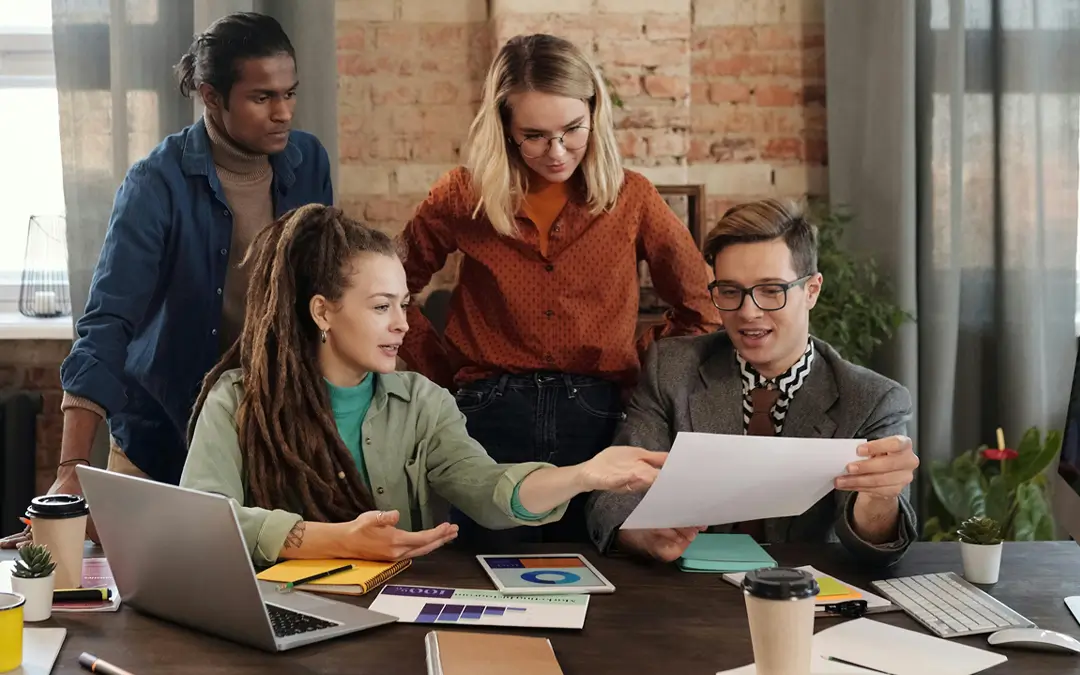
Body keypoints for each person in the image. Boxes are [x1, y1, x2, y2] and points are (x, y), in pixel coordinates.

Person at [0, 13, 334, 552]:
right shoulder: (156, 182)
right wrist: (71, 470)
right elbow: (107, 323)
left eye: (290, 93)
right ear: (211, 96)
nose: (285, 112)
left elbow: (322, 296)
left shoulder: (309, 161)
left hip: (269, 442)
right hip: (161, 439)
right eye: (262, 97)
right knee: (140, 618)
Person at [181, 204, 667, 567]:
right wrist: (335, 540)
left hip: (395, 619)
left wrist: (583, 475)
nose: (403, 325)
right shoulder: (238, 400)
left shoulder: (423, 403)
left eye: (404, 304)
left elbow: (488, 488)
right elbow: (202, 522)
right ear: (322, 310)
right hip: (277, 617)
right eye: (380, 306)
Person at [397, 33, 720, 550]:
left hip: (594, 414)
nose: (557, 151)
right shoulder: (463, 196)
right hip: (485, 415)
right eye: (535, 135)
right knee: (484, 571)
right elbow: (392, 290)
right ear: (504, 126)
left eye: (573, 130)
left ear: (595, 112)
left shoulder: (631, 197)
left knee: (596, 573)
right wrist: (440, 372)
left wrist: (634, 357)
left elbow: (702, 307)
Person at [586, 198, 920, 566]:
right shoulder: (672, 367)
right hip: (687, 594)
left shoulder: (872, 398)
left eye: (771, 290)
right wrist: (641, 533)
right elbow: (611, 495)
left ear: (811, 291)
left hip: (806, 598)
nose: (748, 312)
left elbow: (874, 546)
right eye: (730, 291)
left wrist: (880, 497)